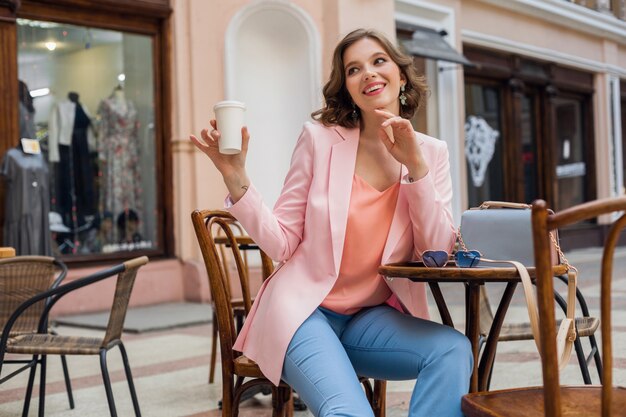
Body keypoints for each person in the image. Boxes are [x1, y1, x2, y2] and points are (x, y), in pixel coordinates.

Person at [191, 28, 472, 417]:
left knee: (452, 349)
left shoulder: (432, 153)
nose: (368, 74)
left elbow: (436, 253)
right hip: (303, 314)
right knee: (350, 412)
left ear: (401, 75)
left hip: (370, 319)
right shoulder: (319, 140)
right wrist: (237, 179)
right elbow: (282, 243)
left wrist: (416, 168)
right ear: (347, 88)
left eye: (378, 62)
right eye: (353, 69)